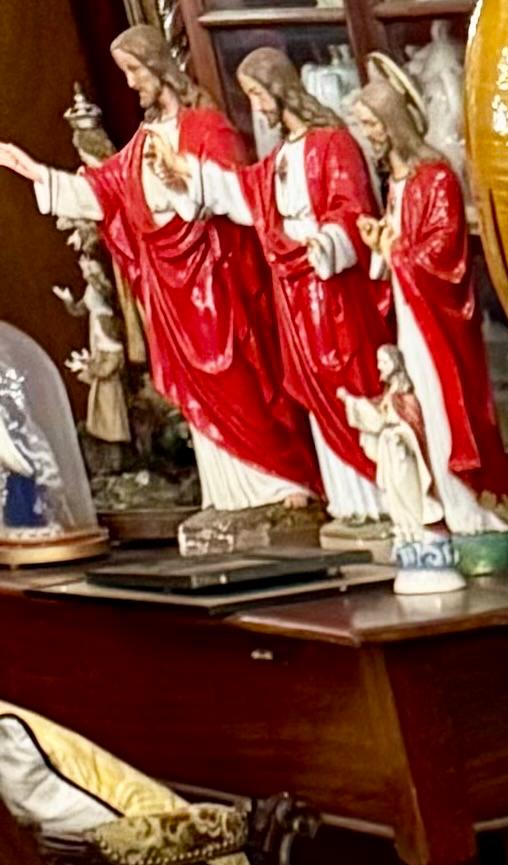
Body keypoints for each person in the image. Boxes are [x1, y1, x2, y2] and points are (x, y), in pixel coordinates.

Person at [0, 28, 315, 523]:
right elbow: (105, 190)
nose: (131, 84)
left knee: (239, 379)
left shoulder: (207, 128)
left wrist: (188, 182)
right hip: (174, 289)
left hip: (217, 279)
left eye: (136, 72)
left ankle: (278, 484)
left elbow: (239, 195)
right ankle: (230, 497)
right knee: (199, 395)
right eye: (125, 74)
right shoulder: (144, 141)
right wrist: (40, 175)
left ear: (160, 68)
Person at [347, 61, 508, 538]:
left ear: (392, 123)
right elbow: (400, 245)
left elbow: (444, 251)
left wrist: (391, 249)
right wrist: (381, 242)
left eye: (371, 124)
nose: (368, 134)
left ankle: (468, 506)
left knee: (443, 405)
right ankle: (438, 500)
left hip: (436, 318)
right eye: (363, 126)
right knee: (416, 402)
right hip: (408, 312)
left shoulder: (435, 176)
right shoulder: (396, 183)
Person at [235, 48, 392, 522]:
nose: (258, 107)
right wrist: (188, 176)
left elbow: (353, 208)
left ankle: (383, 499)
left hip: (334, 289)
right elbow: (248, 197)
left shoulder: (332, 143)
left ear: (281, 90)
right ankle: (347, 504)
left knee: (350, 379)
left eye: (259, 94)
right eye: (250, 97)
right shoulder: (279, 155)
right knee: (317, 392)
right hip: (296, 292)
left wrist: (325, 242)